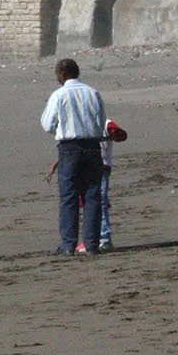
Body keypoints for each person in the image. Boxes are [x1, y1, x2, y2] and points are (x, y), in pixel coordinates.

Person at [40, 57, 106, 255]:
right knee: (92, 195)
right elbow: (101, 121)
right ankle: (92, 244)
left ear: (63, 74)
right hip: (93, 146)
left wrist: (65, 128)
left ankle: (68, 245)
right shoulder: (93, 93)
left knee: (68, 196)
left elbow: (47, 124)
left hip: (70, 147)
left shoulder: (59, 95)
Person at [98, 115, 127, 250]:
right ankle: (94, 237)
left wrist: (113, 134)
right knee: (91, 202)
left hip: (101, 165)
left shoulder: (104, 121)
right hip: (85, 164)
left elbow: (119, 134)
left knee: (100, 201)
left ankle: (103, 237)